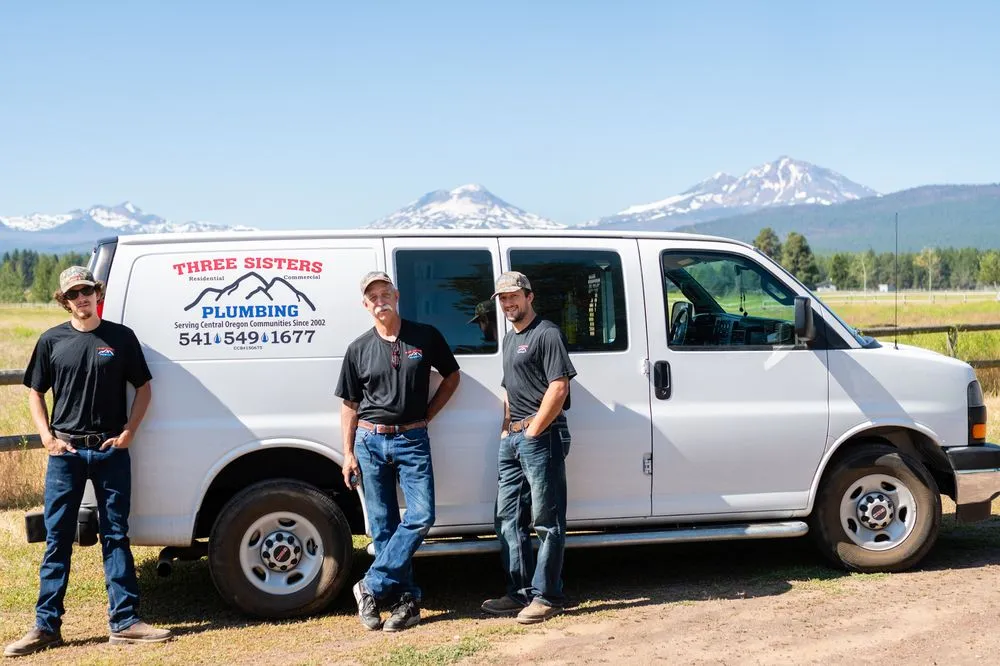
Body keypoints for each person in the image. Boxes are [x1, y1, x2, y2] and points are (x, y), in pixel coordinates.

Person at [4, 267, 172, 658]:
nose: (81, 298)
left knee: (116, 535)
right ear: (65, 301)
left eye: (86, 291)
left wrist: (129, 432)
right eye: (73, 294)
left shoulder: (121, 338)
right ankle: (46, 627)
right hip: (66, 453)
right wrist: (47, 437)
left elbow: (144, 388)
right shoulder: (51, 341)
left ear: (97, 294)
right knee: (58, 538)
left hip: (111, 450)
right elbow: (35, 392)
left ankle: (125, 622)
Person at [336, 271, 461, 632]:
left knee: (421, 515)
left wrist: (428, 415)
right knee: (383, 526)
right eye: (373, 297)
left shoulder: (425, 336)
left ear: (397, 295)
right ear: (365, 305)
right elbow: (349, 404)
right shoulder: (358, 348)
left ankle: (370, 586)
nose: (380, 301)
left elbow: (452, 376)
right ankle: (406, 603)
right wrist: (347, 453)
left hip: (412, 439)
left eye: (385, 293)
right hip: (369, 441)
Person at [481, 271, 577, 624]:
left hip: (542, 436)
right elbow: (509, 388)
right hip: (514, 439)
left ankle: (548, 596)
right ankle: (518, 593)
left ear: (529, 296)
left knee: (546, 520)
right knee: (507, 518)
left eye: (513, 296)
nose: (508, 303)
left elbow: (559, 387)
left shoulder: (546, 333)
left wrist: (535, 430)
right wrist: (507, 429)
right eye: (503, 299)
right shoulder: (510, 339)